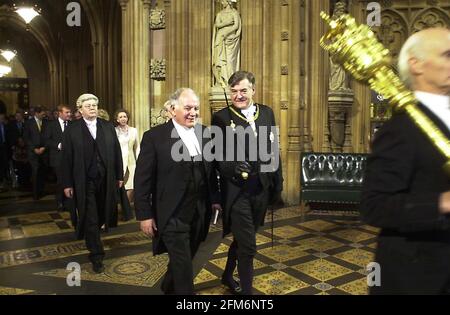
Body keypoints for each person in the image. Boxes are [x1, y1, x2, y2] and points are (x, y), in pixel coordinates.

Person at [360, 27, 450, 294]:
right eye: (447, 54)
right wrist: (442, 203)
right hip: (420, 275)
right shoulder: (400, 129)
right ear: (416, 65)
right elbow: (373, 206)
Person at [134, 88, 221, 295]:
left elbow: (210, 173)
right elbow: (142, 180)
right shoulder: (154, 137)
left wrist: (215, 199)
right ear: (173, 110)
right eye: (188, 108)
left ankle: (167, 286)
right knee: (183, 266)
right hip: (172, 213)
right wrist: (145, 215)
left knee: (185, 257)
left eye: (196, 108)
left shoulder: (205, 133)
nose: (193, 113)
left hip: (199, 212)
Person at [211, 71, 283, 295]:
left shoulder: (267, 113)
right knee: (249, 246)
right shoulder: (221, 118)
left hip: (261, 189)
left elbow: (274, 150)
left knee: (244, 239)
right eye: (234, 91)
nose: (238, 95)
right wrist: (233, 166)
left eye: (243, 90)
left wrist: (277, 185)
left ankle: (226, 275)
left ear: (253, 90)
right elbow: (216, 157)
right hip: (237, 192)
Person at [61, 94, 123, 273]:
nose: (93, 108)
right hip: (84, 181)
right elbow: (66, 159)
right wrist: (67, 184)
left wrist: (119, 175)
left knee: (103, 213)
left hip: (106, 179)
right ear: (80, 109)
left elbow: (116, 152)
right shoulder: (72, 130)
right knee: (90, 216)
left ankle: (93, 234)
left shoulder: (107, 127)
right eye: (88, 106)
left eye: (95, 105)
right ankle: (97, 255)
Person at [44, 105, 72, 211]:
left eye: (70, 112)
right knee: (61, 180)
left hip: (70, 158)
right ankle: (60, 202)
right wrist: (58, 145)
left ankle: (69, 202)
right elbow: (46, 141)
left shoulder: (72, 124)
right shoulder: (51, 125)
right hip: (57, 158)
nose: (69, 114)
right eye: (67, 112)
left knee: (69, 180)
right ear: (60, 113)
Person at [114, 109, 139, 220]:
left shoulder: (134, 130)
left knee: (131, 185)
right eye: (121, 117)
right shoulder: (114, 131)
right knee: (120, 185)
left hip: (131, 161)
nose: (123, 118)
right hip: (119, 161)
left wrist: (139, 160)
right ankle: (117, 209)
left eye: (125, 116)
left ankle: (127, 209)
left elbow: (137, 147)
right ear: (117, 119)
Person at [212, 0, 241, 88]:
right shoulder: (220, 14)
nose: (222, 3)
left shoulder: (234, 13)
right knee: (219, 60)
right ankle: (221, 80)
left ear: (228, 2)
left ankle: (231, 81)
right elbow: (217, 24)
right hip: (220, 38)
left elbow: (236, 26)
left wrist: (227, 34)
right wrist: (228, 23)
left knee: (230, 61)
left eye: (223, 1)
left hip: (230, 39)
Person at [23, 106, 47, 200]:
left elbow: (48, 136)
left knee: (42, 172)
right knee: (35, 172)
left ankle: (41, 190)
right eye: (42, 114)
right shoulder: (29, 123)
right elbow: (26, 138)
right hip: (33, 153)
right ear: (37, 113)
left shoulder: (46, 122)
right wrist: (34, 149)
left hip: (44, 152)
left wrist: (43, 147)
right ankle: (35, 194)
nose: (44, 115)